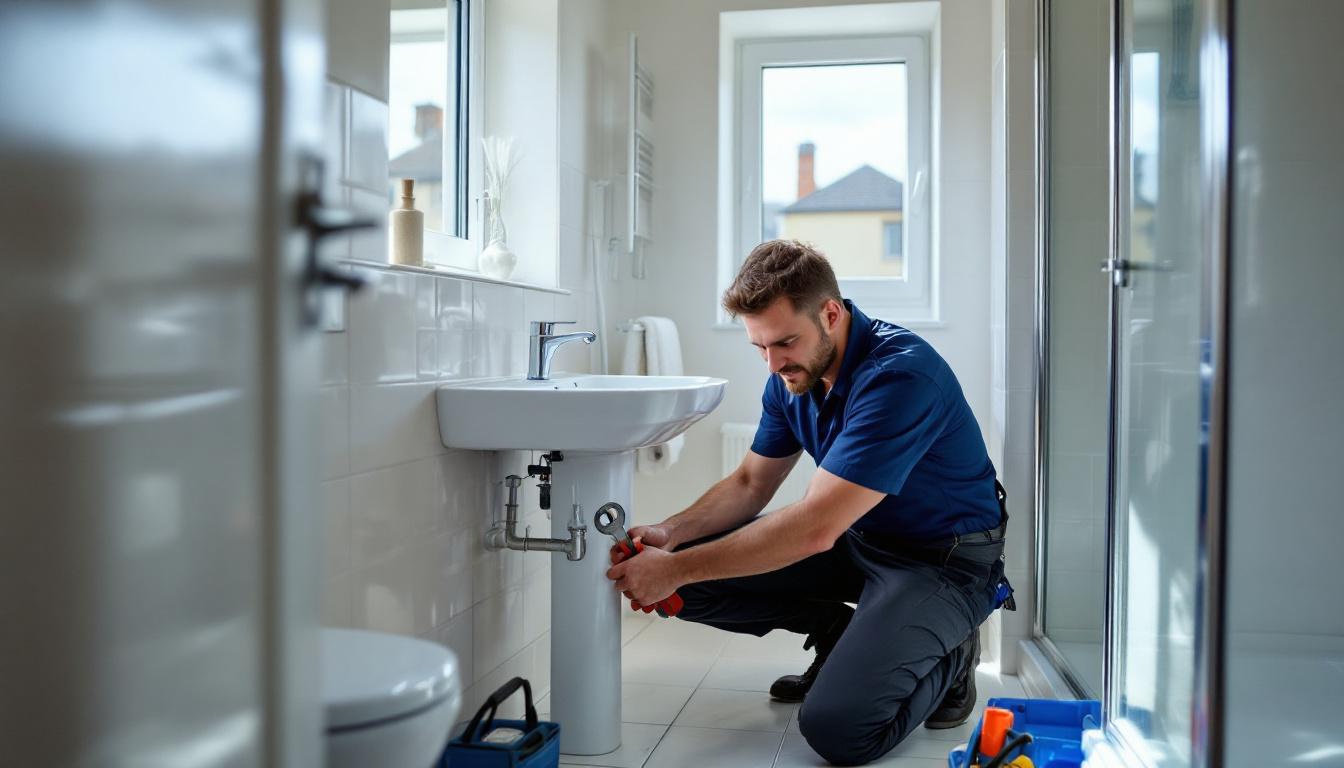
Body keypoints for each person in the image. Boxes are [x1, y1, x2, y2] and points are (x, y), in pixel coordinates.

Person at [605, 240, 1013, 766]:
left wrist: (675, 568)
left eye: (784, 343)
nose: (773, 363)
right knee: (687, 580)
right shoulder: (793, 377)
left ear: (830, 313)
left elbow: (816, 527)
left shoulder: (900, 378)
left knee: (838, 733)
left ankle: (950, 649)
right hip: (860, 539)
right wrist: (673, 535)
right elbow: (752, 483)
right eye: (760, 348)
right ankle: (836, 630)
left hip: (940, 561)